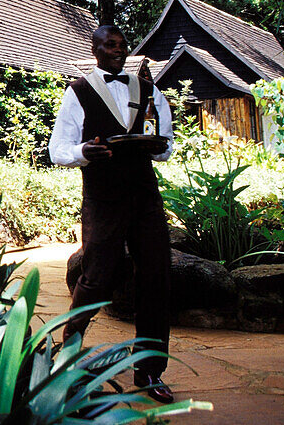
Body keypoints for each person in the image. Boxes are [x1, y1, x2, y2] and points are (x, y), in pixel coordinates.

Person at [48, 25, 176, 404]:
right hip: (103, 198)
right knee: (96, 277)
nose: (118, 50)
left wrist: (156, 145)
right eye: (110, 45)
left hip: (145, 197)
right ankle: (68, 355)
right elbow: (59, 149)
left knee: (156, 277)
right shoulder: (79, 91)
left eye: (122, 45)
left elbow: (164, 146)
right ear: (96, 50)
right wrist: (85, 151)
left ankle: (150, 369)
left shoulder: (149, 89)